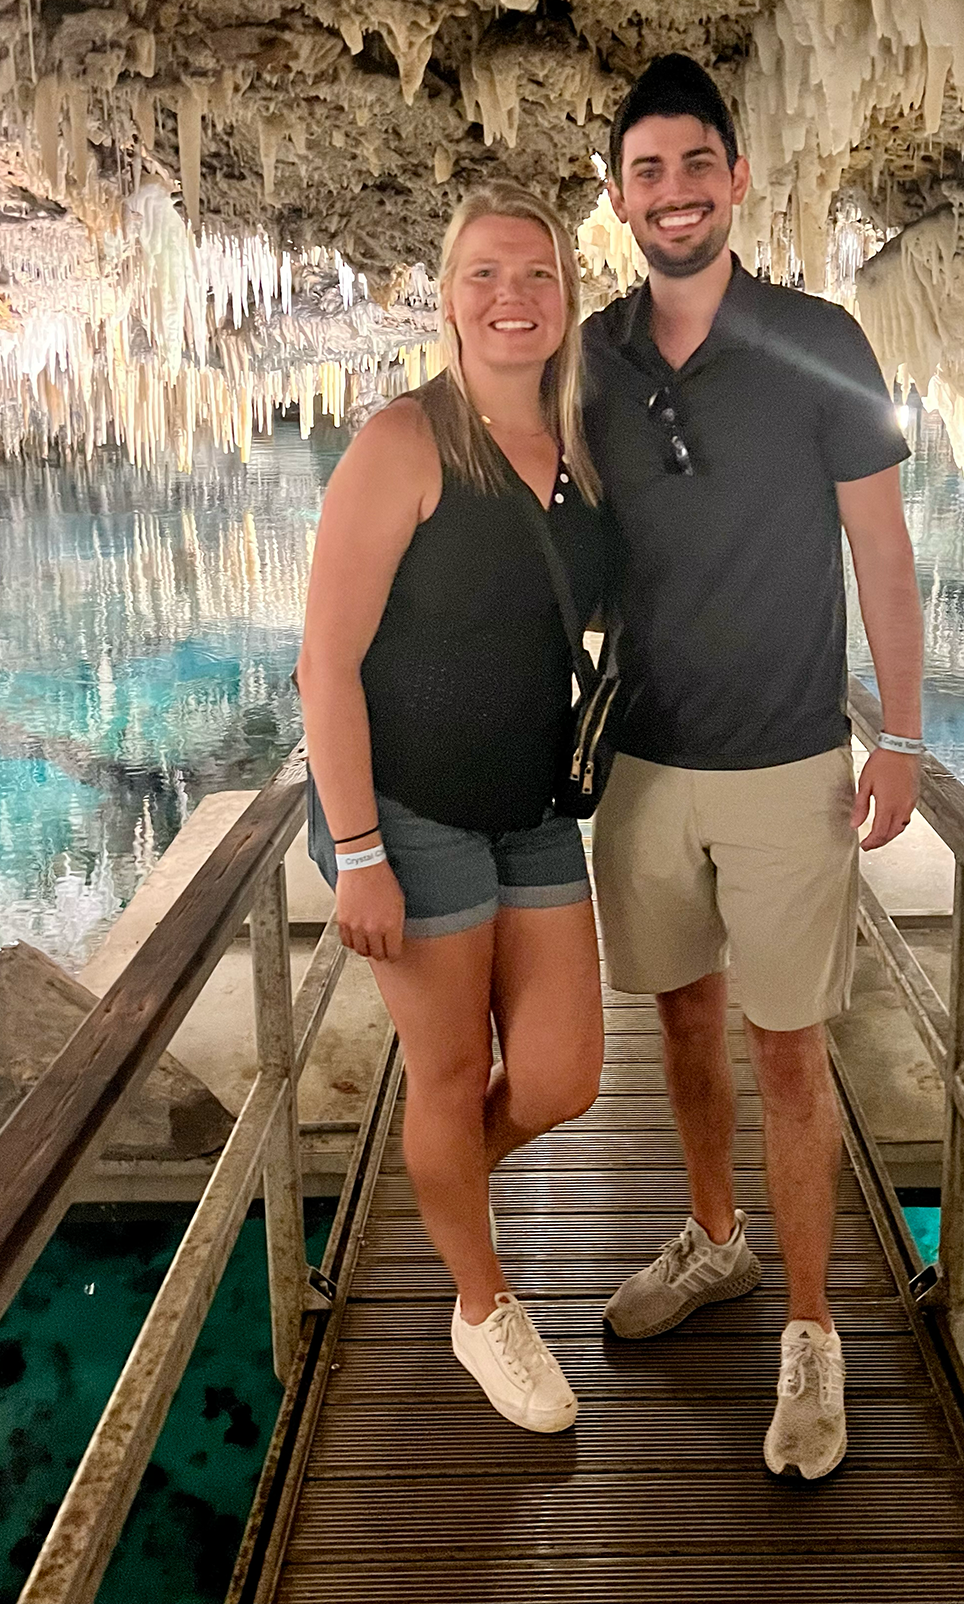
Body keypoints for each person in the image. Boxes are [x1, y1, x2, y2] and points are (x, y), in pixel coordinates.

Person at [583, 55, 925, 1479]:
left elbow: (883, 551)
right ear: (617, 197)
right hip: (643, 766)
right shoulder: (588, 355)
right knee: (677, 1028)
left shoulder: (820, 341)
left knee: (791, 1053)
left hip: (790, 761)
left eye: (695, 166)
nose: (674, 194)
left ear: (737, 179)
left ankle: (810, 1333)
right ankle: (715, 1241)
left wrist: (898, 729)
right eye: (646, 172)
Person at [296, 181, 610, 1435]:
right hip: (409, 808)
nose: (511, 297)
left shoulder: (583, 445)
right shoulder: (404, 441)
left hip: (533, 800)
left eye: (534, 273)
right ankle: (480, 1303)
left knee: (564, 1074)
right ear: (447, 298)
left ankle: (439, 1190)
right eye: (484, 274)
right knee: (448, 1069)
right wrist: (360, 849)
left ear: (568, 296)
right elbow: (326, 660)